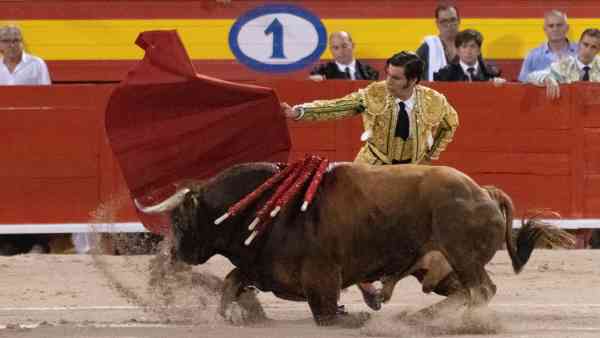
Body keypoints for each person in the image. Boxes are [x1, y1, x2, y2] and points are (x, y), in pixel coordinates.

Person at [281, 51, 459, 310]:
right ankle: (362, 282)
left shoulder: (434, 101)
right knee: (352, 229)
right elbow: (337, 106)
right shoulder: (373, 94)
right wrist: (299, 112)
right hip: (371, 170)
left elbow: (450, 123)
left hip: (411, 174)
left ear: (413, 80)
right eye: (388, 74)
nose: (388, 81)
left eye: (396, 78)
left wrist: (430, 156)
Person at [527, 28, 600, 99]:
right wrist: (547, 78)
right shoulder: (565, 65)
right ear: (579, 44)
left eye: (593, 47)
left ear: (598, 50)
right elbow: (531, 76)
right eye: (585, 44)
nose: (587, 51)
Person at [518, 10, 578, 82]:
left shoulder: (580, 51)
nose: (555, 29)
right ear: (545, 29)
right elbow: (523, 81)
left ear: (567, 28)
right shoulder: (533, 55)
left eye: (559, 25)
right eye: (551, 26)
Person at [434, 29, 504, 82]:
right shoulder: (444, 75)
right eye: (464, 47)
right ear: (458, 51)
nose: (468, 51)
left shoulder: (492, 73)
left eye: (472, 46)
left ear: (479, 50)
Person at [309, 31, 379, 81]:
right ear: (331, 50)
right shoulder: (321, 71)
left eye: (344, 46)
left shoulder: (369, 72)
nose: (341, 51)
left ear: (353, 45)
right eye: (336, 48)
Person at [416, 4, 460, 81]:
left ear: (459, 21)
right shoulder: (427, 47)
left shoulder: (469, 45)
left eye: (453, 20)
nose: (449, 25)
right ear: (437, 23)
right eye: (444, 21)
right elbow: (414, 76)